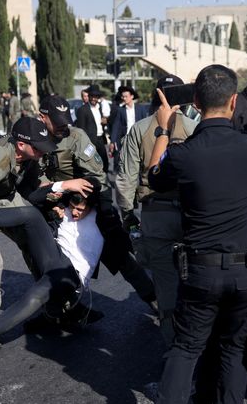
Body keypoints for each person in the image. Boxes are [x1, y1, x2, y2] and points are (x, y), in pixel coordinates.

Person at [142, 65, 247, 404]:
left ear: (194, 104)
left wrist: (164, 128)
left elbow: (154, 177)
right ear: (234, 101)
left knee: (186, 347)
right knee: (233, 350)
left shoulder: (183, 154)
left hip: (201, 271)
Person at [0, 117, 81, 353]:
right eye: (39, 147)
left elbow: (35, 184)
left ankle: (55, 307)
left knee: (32, 235)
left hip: (2, 197)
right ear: (21, 145)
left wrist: (51, 200)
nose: (43, 151)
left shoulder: (30, 157)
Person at [34, 95, 157, 312]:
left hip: (87, 204)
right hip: (52, 207)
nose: (64, 125)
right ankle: (59, 312)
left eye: (65, 119)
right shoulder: (32, 135)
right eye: (57, 120)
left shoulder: (75, 137)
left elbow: (97, 176)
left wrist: (80, 203)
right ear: (42, 117)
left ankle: (155, 300)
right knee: (49, 264)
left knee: (120, 256)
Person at [116, 75, 197, 345]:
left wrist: (128, 218)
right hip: (191, 216)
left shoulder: (139, 130)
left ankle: (173, 346)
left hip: (155, 216)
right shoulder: (194, 127)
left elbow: (125, 179)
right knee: (196, 282)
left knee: (165, 287)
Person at [109, 86, 147, 172]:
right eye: (123, 96)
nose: (124, 98)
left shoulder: (141, 109)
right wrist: (112, 141)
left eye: (126, 96)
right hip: (125, 139)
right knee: (125, 160)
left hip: (138, 138)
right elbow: (116, 126)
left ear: (132, 96)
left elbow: (145, 124)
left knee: (139, 159)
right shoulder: (121, 110)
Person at [75, 85, 109, 171]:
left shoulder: (100, 108)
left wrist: (105, 122)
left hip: (100, 139)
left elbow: (101, 123)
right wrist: (84, 144)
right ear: (89, 96)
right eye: (92, 96)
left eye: (96, 97)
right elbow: (81, 129)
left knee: (105, 163)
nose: (94, 99)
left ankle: (103, 181)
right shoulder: (82, 110)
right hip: (89, 142)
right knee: (90, 164)